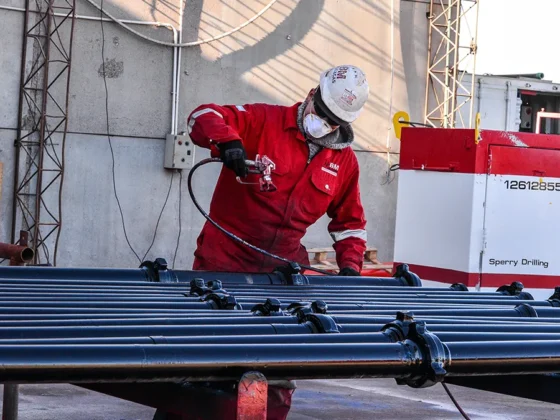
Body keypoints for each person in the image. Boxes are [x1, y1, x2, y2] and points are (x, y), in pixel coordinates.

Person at [186, 65, 370, 279]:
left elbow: (350, 225)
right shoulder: (264, 120)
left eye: (333, 122)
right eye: (321, 112)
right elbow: (202, 115)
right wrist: (227, 141)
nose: (323, 124)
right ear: (312, 94)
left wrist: (350, 266)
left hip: (283, 274)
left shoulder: (344, 162)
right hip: (224, 264)